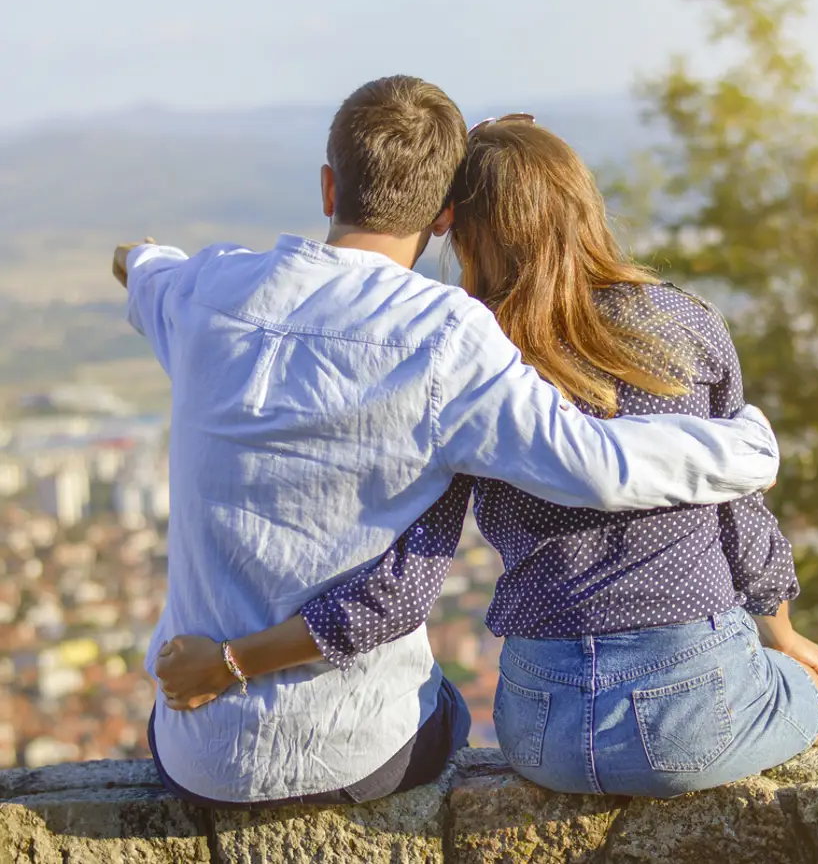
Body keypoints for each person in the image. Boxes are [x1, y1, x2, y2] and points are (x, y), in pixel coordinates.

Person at [119, 77, 780, 808]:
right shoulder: (451, 336)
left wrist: (139, 258)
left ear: (328, 184)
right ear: (441, 218)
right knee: (449, 708)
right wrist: (743, 449)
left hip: (195, 755)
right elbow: (595, 464)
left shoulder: (204, 287)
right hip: (356, 758)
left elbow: (144, 269)